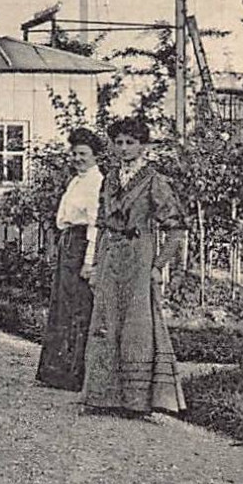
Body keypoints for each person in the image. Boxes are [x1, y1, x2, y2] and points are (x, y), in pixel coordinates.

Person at [81, 117, 188, 414]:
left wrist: (158, 265)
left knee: (137, 325)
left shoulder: (155, 181)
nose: (124, 148)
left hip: (140, 256)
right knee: (105, 322)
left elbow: (176, 229)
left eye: (131, 143)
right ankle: (103, 396)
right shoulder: (110, 179)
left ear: (143, 146)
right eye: (119, 143)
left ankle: (137, 400)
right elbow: (101, 223)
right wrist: (94, 263)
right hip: (112, 254)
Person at [36, 127, 104, 389]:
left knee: (78, 309)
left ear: (95, 156)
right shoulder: (76, 181)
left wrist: (89, 262)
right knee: (62, 307)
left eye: (83, 154)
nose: (77, 158)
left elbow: (94, 226)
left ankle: (74, 373)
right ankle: (57, 371)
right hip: (68, 244)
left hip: (81, 246)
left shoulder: (96, 183)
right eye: (74, 153)